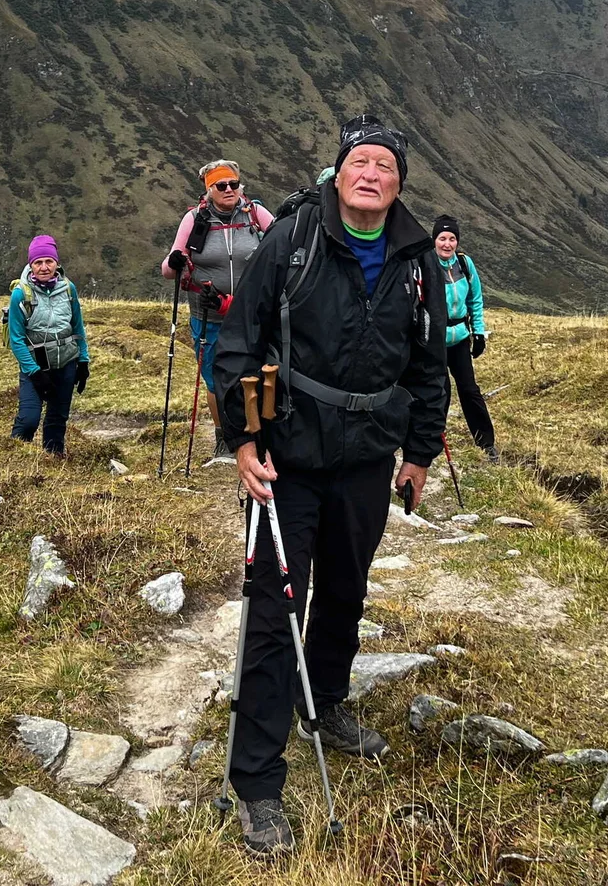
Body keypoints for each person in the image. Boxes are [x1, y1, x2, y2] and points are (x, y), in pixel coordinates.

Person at [214, 115, 448, 856]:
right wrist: (242, 440)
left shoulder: (417, 262)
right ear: (338, 173)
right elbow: (240, 339)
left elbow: (427, 361)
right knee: (275, 607)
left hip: (367, 459)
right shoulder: (293, 239)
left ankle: (326, 703)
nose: (371, 173)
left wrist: (418, 454)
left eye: (385, 164)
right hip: (287, 458)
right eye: (359, 162)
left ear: (399, 181)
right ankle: (256, 783)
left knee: (346, 590)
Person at [161, 160, 274, 454]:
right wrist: (173, 262)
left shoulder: (255, 214)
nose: (228, 190)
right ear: (208, 190)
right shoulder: (194, 219)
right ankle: (224, 437)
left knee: (259, 372)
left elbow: (281, 246)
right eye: (220, 185)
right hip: (207, 314)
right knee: (215, 379)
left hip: (252, 312)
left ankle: (258, 432)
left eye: (233, 184)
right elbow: (169, 268)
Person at [7, 234, 89, 456]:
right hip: (35, 368)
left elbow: (77, 327)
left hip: (67, 364)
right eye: (38, 262)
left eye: (48, 261)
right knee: (28, 420)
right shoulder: (20, 295)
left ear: (56, 263)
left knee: (57, 418)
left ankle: (53, 461)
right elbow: (16, 339)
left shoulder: (69, 289)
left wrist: (83, 361)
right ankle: (13, 459)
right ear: (31, 265)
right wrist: (34, 373)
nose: (44, 267)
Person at [432, 214, 496, 460]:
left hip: (459, 338)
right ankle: (433, 442)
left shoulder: (465, 264)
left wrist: (478, 333)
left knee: (469, 390)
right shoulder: (426, 264)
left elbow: (475, 300)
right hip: (434, 341)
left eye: (451, 239)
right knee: (440, 391)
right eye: (442, 238)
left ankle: (486, 443)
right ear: (434, 240)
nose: (447, 244)